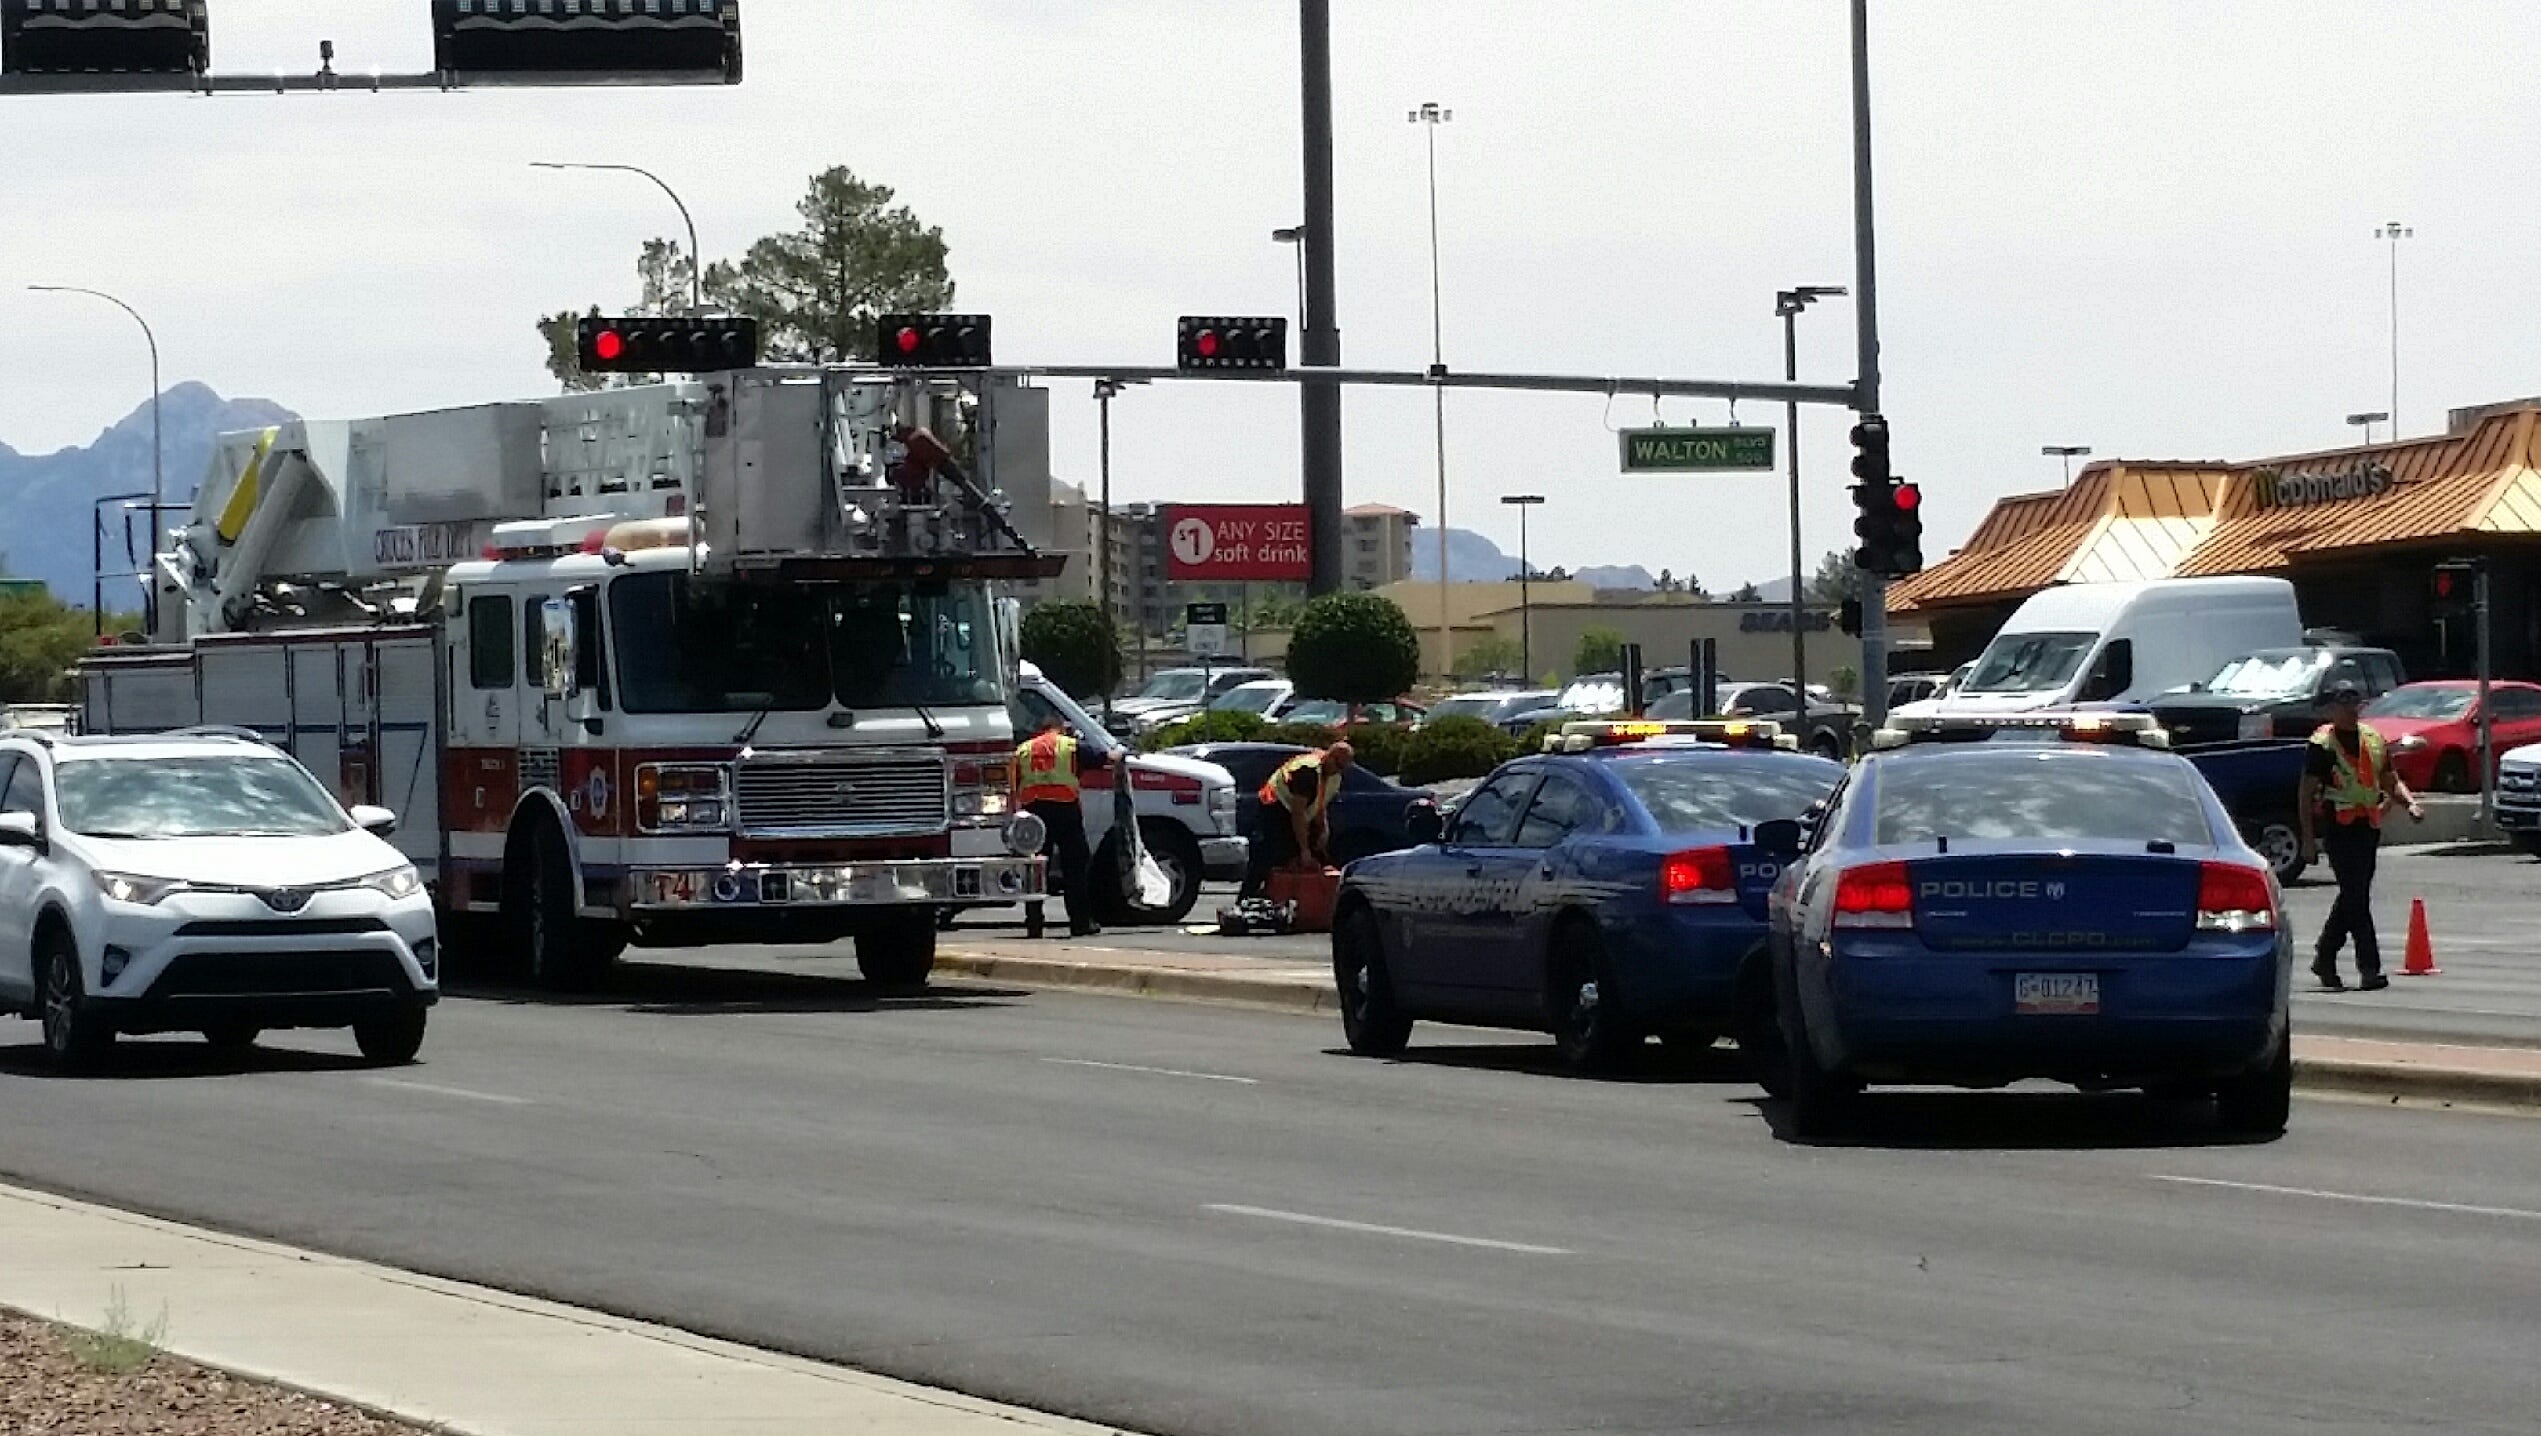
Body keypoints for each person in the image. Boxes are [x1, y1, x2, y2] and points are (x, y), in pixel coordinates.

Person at [2298, 680, 2421, 991]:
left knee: (2354, 895)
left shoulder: (2373, 739)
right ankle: (2370, 968)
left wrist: (2410, 804)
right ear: (2332, 709)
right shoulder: (2322, 744)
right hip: (2339, 826)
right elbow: (2305, 793)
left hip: (2367, 827)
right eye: (2343, 704)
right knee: (2356, 897)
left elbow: (2390, 781)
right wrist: (2308, 840)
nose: (2350, 710)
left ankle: (2325, 956)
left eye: (2355, 704)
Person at [1012, 711, 1098, 937]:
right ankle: (1080, 922)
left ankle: (1034, 924)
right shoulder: (1069, 746)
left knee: (1036, 869)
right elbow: (1100, 757)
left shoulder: (1024, 749)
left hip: (1034, 814)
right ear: (1061, 728)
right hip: (1066, 810)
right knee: (1075, 866)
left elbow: (1014, 783)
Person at [1240, 740, 1355, 901]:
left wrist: (1323, 830)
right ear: (1330, 756)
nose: (1338, 770)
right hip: (1275, 805)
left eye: (1343, 767)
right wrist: (1304, 849)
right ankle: (1245, 900)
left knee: (1318, 857)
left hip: (1297, 810)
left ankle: (1307, 904)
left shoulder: (1334, 776)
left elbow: (1319, 804)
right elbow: (1298, 813)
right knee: (1267, 855)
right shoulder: (1307, 771)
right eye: (1338, 764)